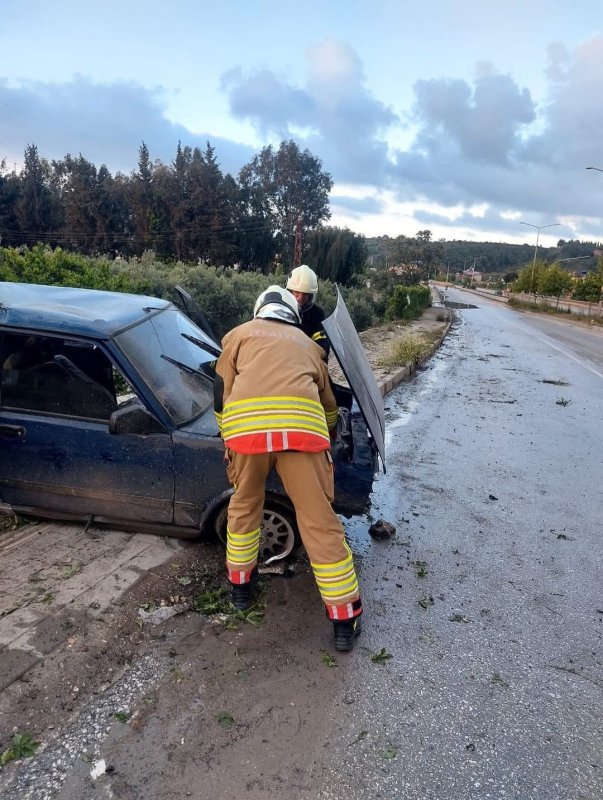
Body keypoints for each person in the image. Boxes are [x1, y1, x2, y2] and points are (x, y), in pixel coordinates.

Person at [213, 285, 362, 651]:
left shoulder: (236, 336)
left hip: (246, 437)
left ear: (258, 310)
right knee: (318, 522)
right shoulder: (310, 346)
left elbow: (220, 393)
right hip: (302, 438)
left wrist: (226, 432)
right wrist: (323, 432)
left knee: (245, 507)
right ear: (293, 318)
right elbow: (329, 407)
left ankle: (241, 591)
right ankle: (345, 620)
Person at [286, 264, 330, 359]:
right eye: (297, 292)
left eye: (305, 294)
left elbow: (323, 347)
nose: (301, 297)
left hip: (306, 361)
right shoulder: (281, 311)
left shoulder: (317, 314)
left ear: (311, 295)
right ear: (290, 291)